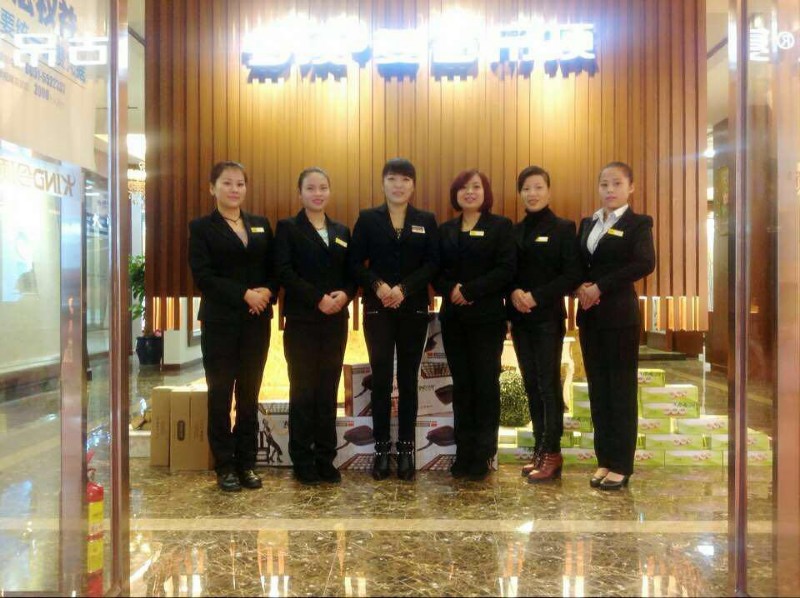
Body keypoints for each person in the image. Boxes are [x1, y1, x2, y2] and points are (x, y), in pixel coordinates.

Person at [188, 161, 278, 492]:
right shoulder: (202, 228)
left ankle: (247, 463)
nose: (234, 189)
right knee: (221, 393)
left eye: (240, 183)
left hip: (256, 321)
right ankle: (224, 465)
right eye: (227, 183)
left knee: (249, 394)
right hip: (220, 322)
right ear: (212, 188)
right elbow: (203, 277)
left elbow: (275, 267)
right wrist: (244, 294)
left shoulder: (260, 224)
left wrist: (267, 292)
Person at [349, 158, 439, 481]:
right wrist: (378, 285)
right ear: (383, 183)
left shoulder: (426, 220)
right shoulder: (368, 218)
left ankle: (406, 450)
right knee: (382, 380)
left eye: (405, 179)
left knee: (409, 380)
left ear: (413, 185)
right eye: (392, 179)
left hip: (413, 308)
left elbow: (433, 263)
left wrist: (404, 288)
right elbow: (354, 262)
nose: (398, 185)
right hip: (378, 309)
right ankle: (381, 450)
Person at [576, 161, 656, 490]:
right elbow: (578, 263)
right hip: (590, 316)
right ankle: (604, 460)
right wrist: (581, 286)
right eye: (604, 184)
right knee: (599, 391)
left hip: (620, 317)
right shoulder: (588, 223)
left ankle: (622, 464)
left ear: (630, 187)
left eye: (617, 183)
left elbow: (644, 262)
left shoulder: (638, 223)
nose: (610, 190)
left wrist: (600, 287)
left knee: (620, 391)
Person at [275, 167, 356, 485]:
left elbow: (352, 273)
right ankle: (302, 458)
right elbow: (284, 271)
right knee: (303, 389)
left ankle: (325, 457)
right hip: (302, 321)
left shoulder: (341, 230)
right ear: (300, 193)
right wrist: (317, 299)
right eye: (310, 188)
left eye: (323, 187)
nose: (317, 193)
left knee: (327, 389)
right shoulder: (288, 228)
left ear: (329, 191)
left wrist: (345, 295)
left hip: (335, 321)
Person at [433, 170, 516, 481]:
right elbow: (435, 270)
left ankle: (483, 454)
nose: (470, 192)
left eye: (476, 186)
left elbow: (506, 269)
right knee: (463, 386)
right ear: (455, 194)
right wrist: (451, 289)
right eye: (464, 187)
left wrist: (470, 291)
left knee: (485, 385)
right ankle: (464, 452)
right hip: (454, 319)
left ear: (485, 192)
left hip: (487, 319)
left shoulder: (500, 226)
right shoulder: (445, 229)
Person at [508, 166, 582, 483]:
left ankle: (552, 452)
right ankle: (540, 449)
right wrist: (514, 292)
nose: (532, 193)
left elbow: (572, 274)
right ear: (520, 193)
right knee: (530, 385)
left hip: (548, 318)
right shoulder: (515, 230)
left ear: (548, 191)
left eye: (538, 187)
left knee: (548, 385)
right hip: (520, 319)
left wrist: (535, 296)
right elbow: (508, 271)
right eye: (526, 188)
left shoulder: (563, 228)